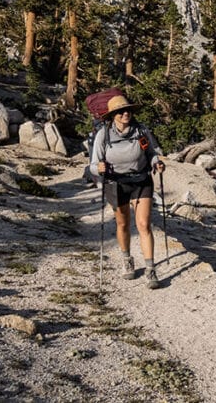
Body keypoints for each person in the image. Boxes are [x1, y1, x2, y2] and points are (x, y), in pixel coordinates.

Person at [89, 94, 166, 289]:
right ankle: (127, 259)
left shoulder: (140, 131)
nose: (126, 113)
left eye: (128, 110)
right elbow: (92, 164)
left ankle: (150, 269)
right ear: (112, 115)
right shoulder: (104, 135)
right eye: (120, 111)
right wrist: (98, 169)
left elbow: (150, 153)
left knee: (144, 224)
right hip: (116, 183)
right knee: (123, 224)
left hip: (141, 180)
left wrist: (157, 163)